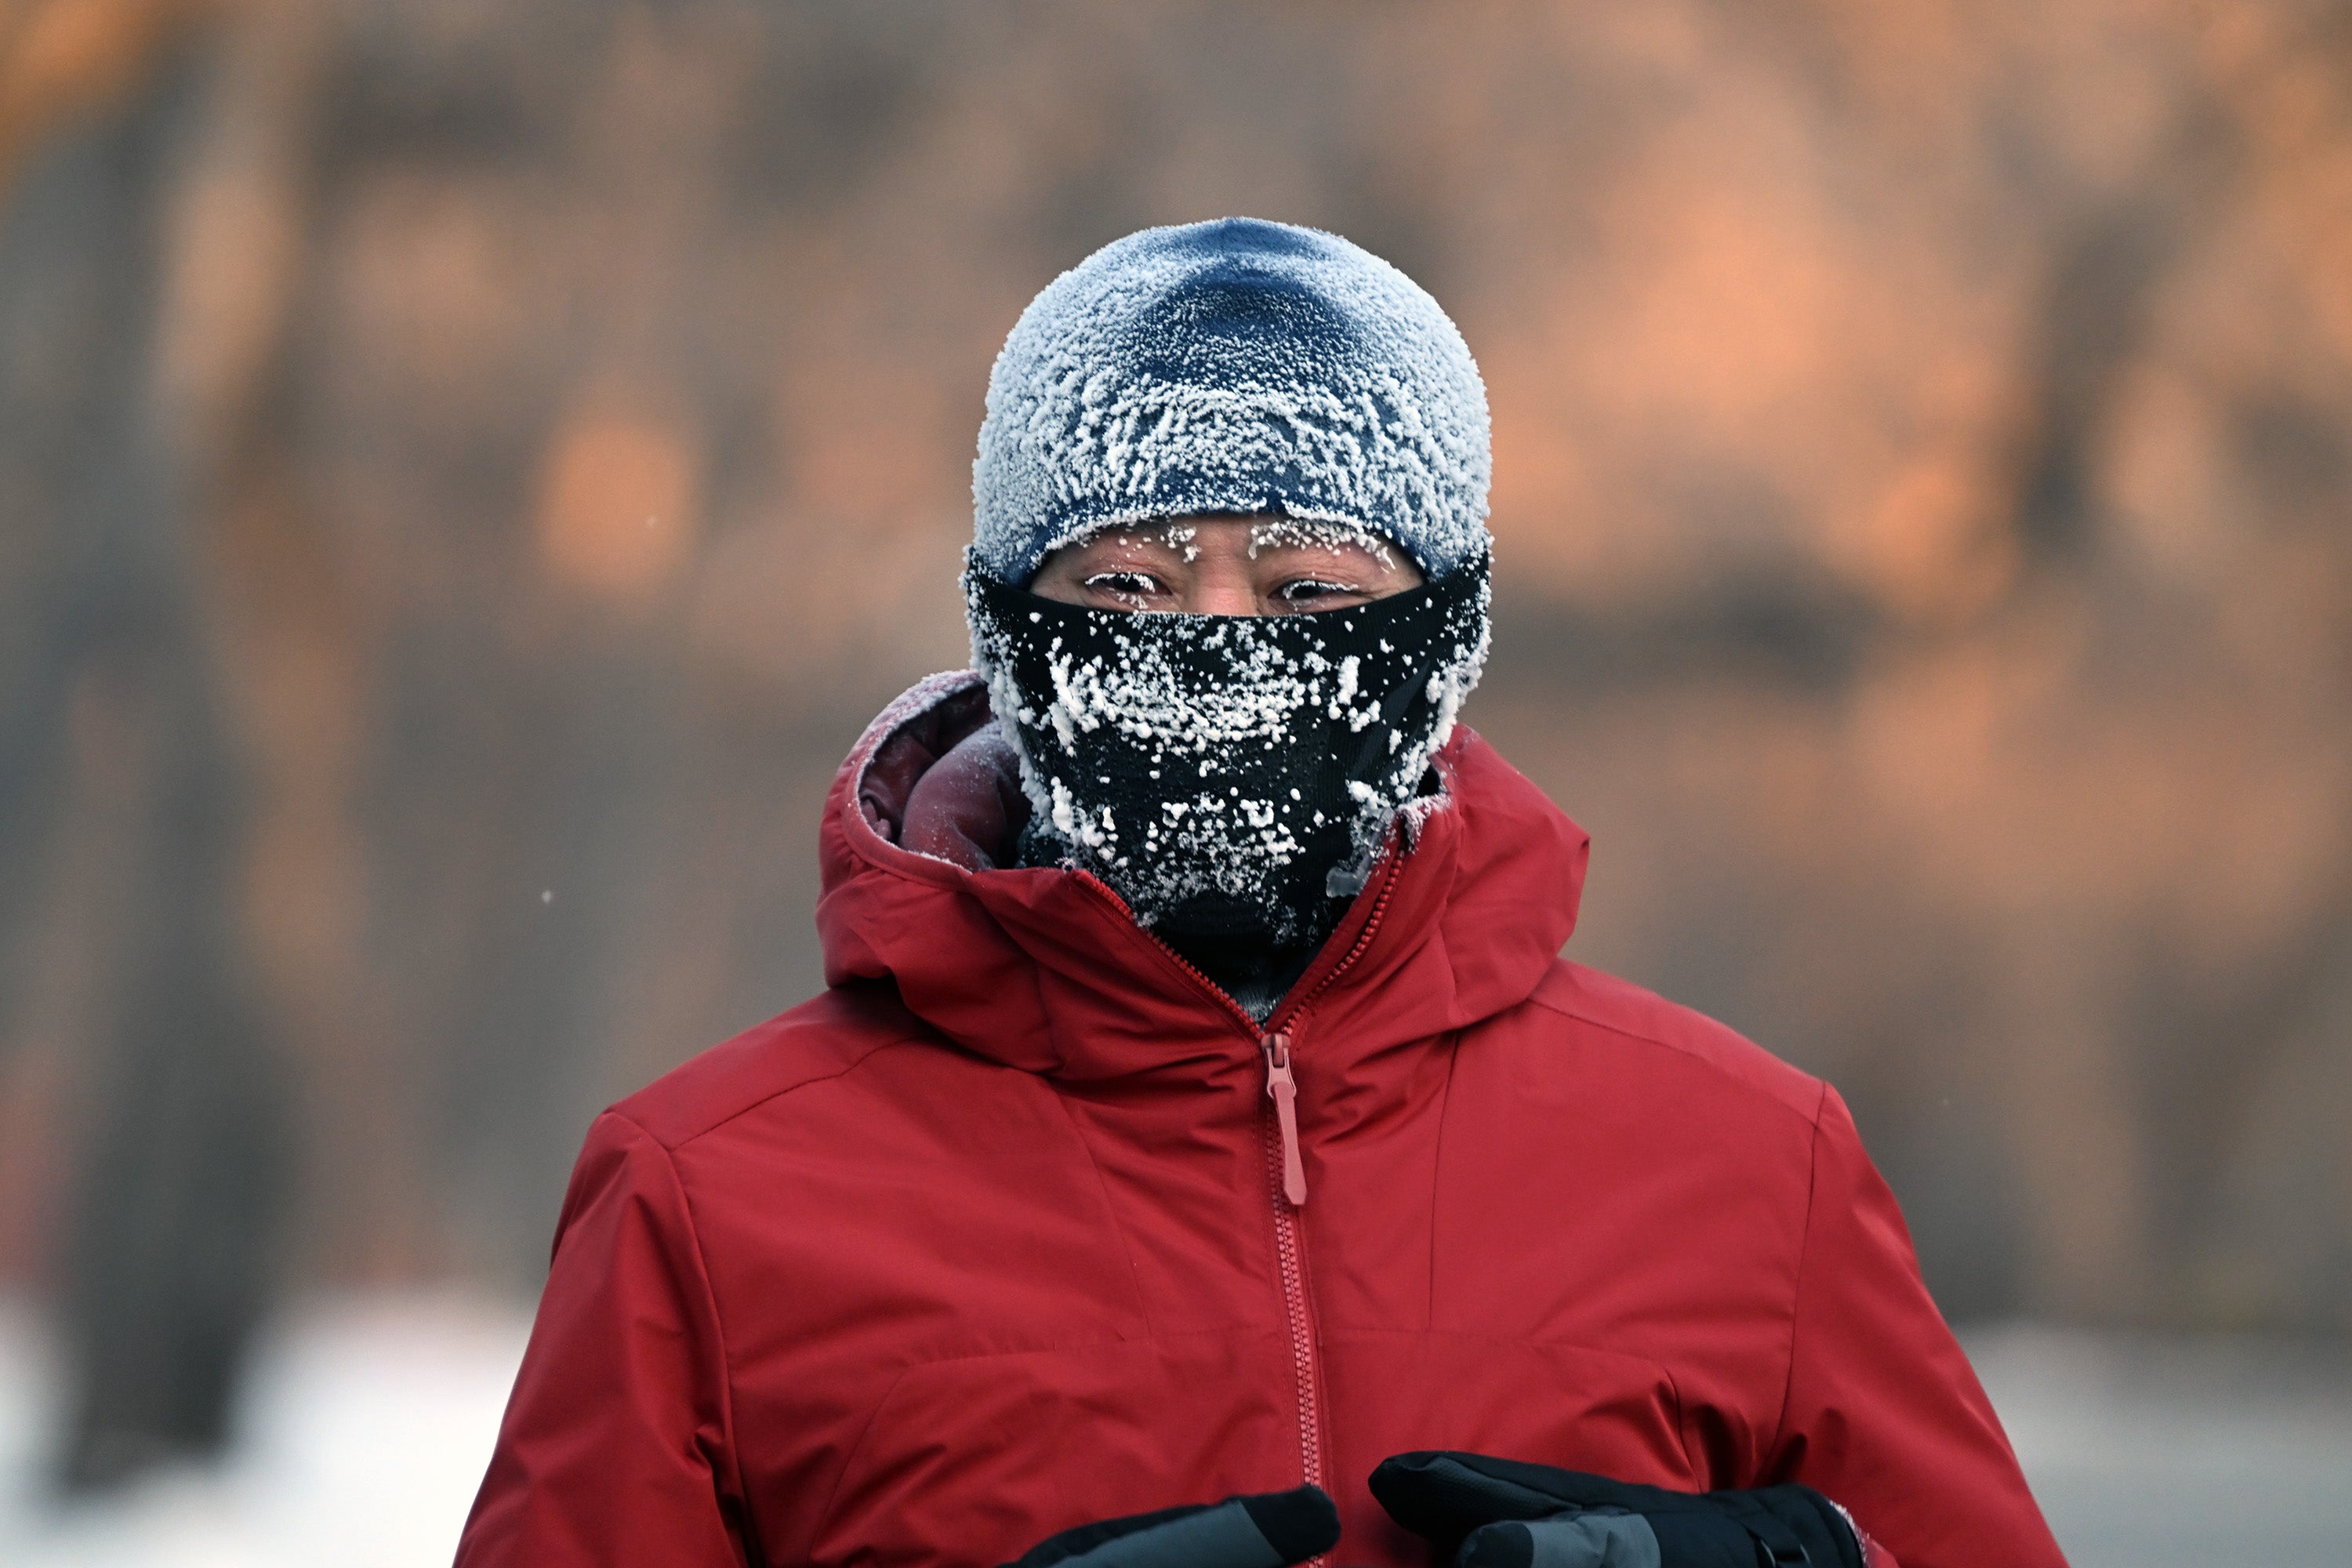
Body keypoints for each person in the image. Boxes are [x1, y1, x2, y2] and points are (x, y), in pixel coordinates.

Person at [455, 218, 2067, 1568]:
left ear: (1447, 638)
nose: (1222, 641)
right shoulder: (710, 1198)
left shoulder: (1748, 1166)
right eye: (1128, 585)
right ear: (1006, 631)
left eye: (1311, 587)